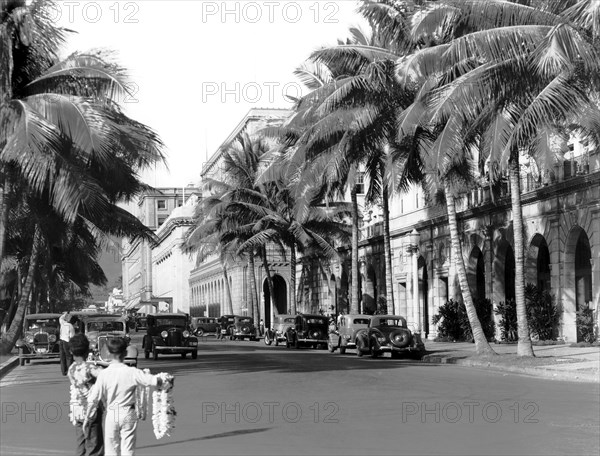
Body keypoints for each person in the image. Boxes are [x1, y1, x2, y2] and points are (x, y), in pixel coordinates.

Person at [84, 338, 163, 456]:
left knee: (111, 450)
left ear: (109, 353)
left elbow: (94, 398)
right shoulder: (132, 372)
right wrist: (165, 379)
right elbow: (154, 381)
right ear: (125, 353)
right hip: (128, 413)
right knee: (128, 449)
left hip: (112, 413)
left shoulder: (104, 374)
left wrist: (87, 418)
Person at [68, 334, 103, 456]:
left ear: (71, 351)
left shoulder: (71, 368)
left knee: (81, 442)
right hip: (91, 409)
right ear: (87, 350)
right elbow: (105, 376)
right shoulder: (90, 368)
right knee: (94, 444)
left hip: (77, 409)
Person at [59, 311, 75, 375]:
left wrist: (65, 314)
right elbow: (72, 336)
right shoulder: (70, 326)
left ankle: (63, 371)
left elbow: (61, 318)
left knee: (62, 357)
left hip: (61, 341)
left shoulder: (62, 323)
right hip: (67, 341)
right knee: (69, 356)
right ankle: (69, 371)